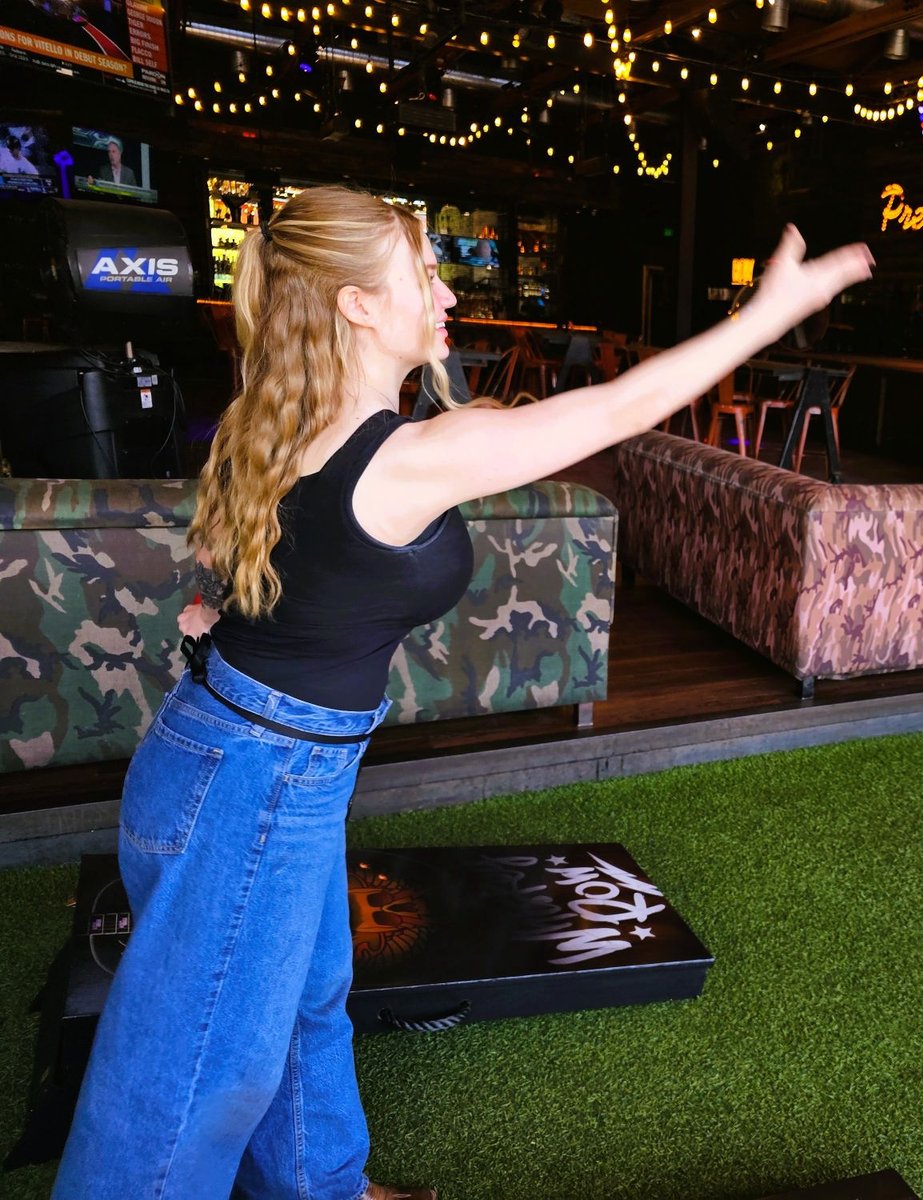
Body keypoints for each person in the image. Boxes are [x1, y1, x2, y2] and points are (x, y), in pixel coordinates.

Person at [49, 185, 872, 1200]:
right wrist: (771, 313)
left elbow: (225, 565)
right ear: (357, 305)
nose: (445, 291)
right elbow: (619, 411)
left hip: (250, 760)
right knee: (187, 1078)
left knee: (309, 998)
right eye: (424, 271)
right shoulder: (400, 461)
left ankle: (325, 1186)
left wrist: (226, 620)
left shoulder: (286, 422)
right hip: (247, 779)